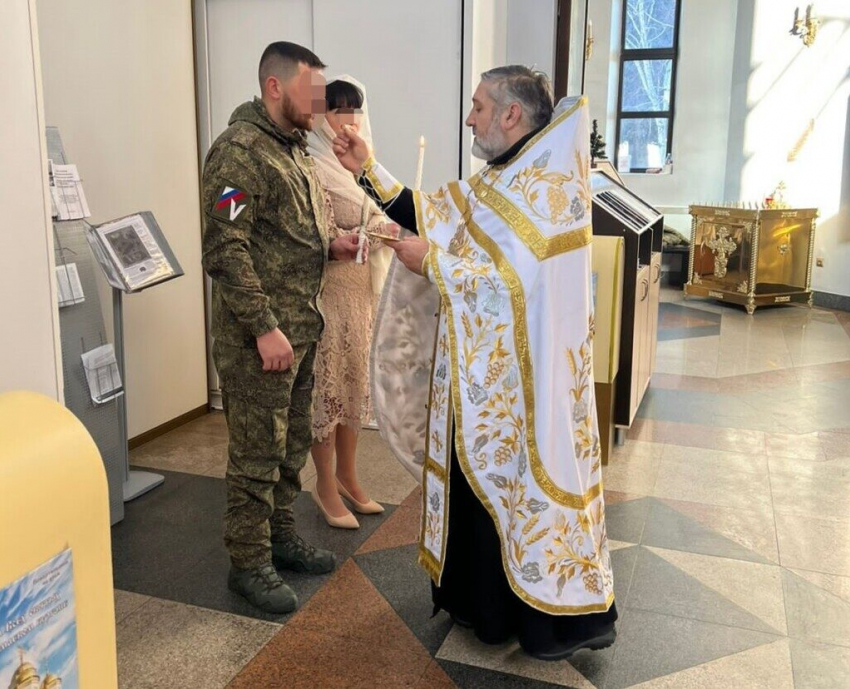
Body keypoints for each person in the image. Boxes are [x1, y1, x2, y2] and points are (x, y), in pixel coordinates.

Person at [334, 66, 617, 659]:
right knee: (477, 484)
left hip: (530, 387)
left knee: (521, 491)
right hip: (483, 380)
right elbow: (432, 212)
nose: (469, 118)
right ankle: (481, 605)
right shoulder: (501, 179)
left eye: (478, 106)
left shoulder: (548, 189)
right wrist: (367, 166)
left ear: (511, 115)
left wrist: (432, 265)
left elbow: (516, 285)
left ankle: (542, 619)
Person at [201, 41, 365, 615]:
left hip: (302, 330)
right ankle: (248, 564)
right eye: (310, 90)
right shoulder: (239, 153)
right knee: (255, 452)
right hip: (260, 341)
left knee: (291, 443)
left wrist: (331, 244)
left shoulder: (292, 150)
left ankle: (279, 537)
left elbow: (287, 232)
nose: (319, 104)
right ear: (275, 87)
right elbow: (226, 248)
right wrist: (264, 327)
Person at [306, 77, 397, 529]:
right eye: (338, 110)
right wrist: (338, 242)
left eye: (354, 110)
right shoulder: (310, 162)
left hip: (360, 294)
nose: (348, 119)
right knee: (328, 388)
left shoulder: (359, 165)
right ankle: (324, 483)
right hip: (327, 294)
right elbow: (307, 230)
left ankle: (348, 475)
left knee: (353, 386)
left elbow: (379, 214)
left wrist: (386, 229)